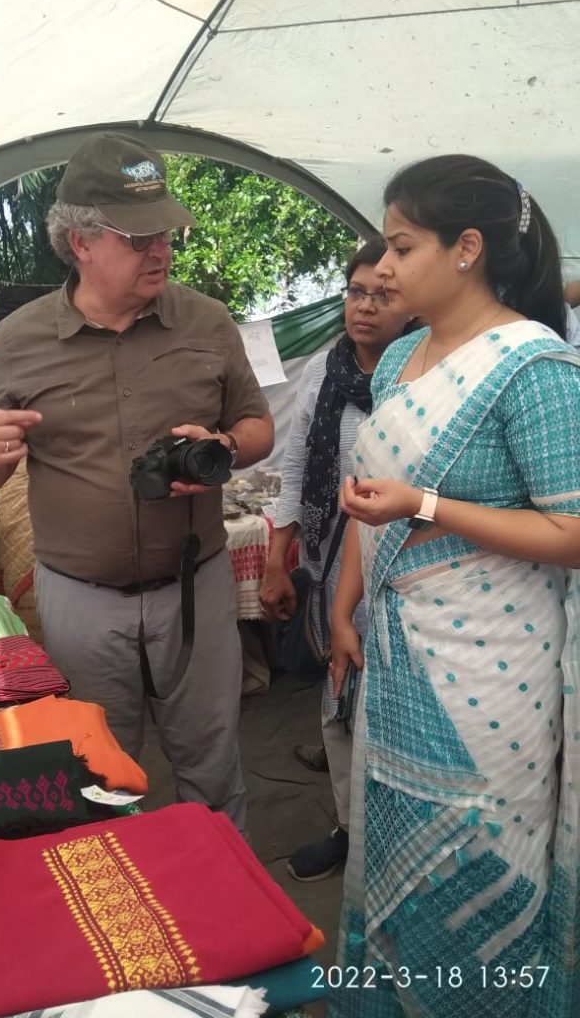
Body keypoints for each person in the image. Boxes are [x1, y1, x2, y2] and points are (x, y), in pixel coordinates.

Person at [0, 132, 274, 832]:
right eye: (140, 237)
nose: (161, 249)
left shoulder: (206, 320)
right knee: (98, 775)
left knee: (212, 765)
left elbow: (257, 428)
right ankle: (119, 918)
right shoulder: (22, 338)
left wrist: (221, 444)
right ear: (82, 243)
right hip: (81, 601)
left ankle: (230, 919)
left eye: (165, 232)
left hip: (196, 584)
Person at [328, 154, 580, 1017]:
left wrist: (430, 504)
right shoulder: (400, 356)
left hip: (489, 671)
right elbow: (378, 495)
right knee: (392, 827)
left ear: (467, 247)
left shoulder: (534, 364)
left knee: (479, 843)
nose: (384, 268)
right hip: (398, 654)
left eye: (401, 247)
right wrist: (343, 600)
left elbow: (574, 533)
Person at [259, 238, 412, 880]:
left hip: (405, 572)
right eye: (356, 293)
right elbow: (297, 463)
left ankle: (398, 838)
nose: (365, 308)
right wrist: (277, 559)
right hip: (328, 564)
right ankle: (349, 832)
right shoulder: (327, 370)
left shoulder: (427, 371)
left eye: (383, 294)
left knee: (398, 711)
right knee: (339, 697)